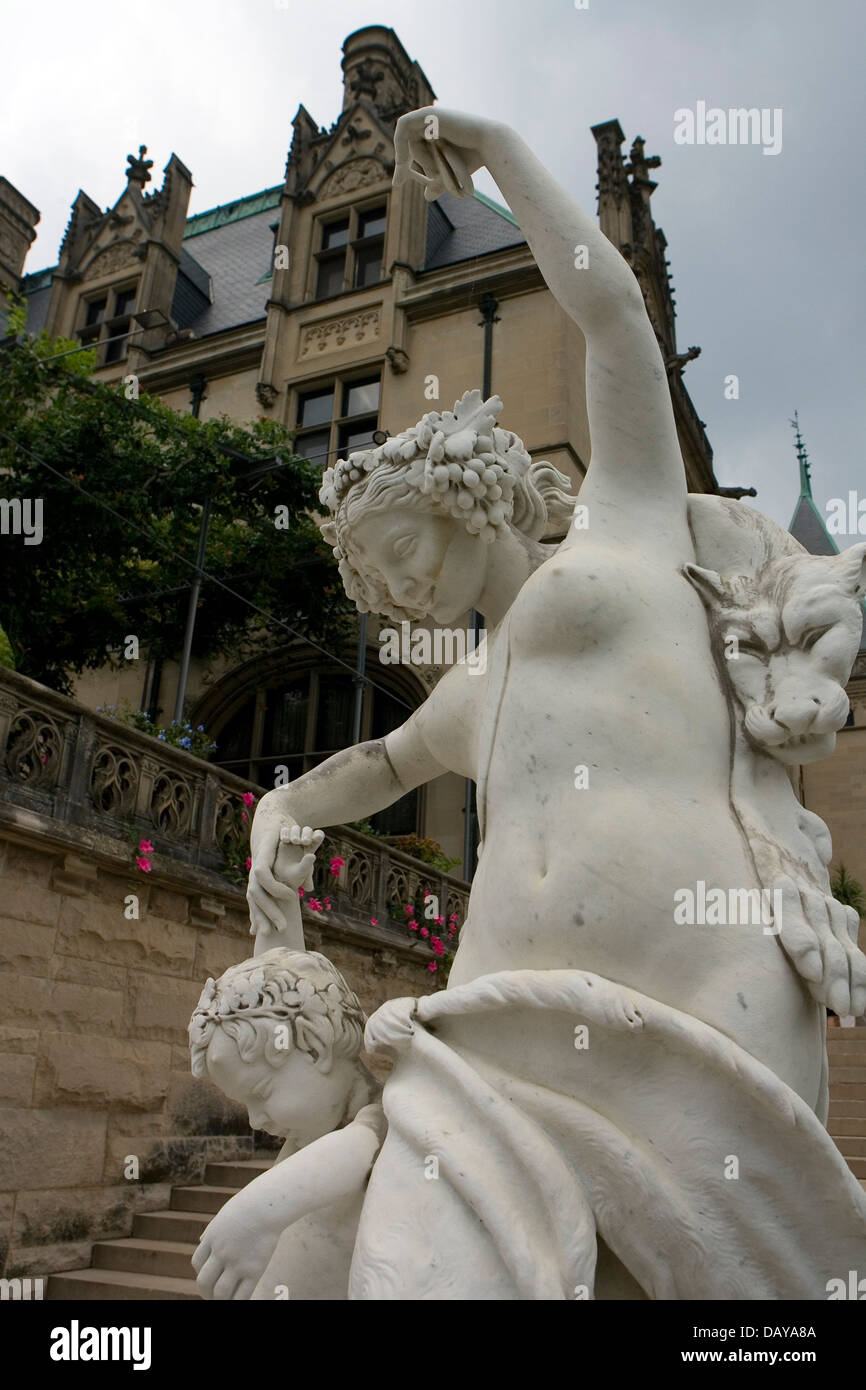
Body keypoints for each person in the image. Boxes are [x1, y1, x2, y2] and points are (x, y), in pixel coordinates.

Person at [244, 109, 866, 1298]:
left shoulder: (623, 528)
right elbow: (374, 764)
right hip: (494, 1024)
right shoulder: (472, 693)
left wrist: (495, 154)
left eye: (399, 543)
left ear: (466, 492)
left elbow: (610, 314)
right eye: (374, 572)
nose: (397, 580)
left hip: (696, 987)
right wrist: (283, 808)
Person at [188, 949, 382, 1300]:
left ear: (314, 1046)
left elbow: (368, 1142)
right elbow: (289, 989)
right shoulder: (315, 1127)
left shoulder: (388, 1113)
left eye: (260, 1093)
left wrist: (260, 1210)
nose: (254, 1119)